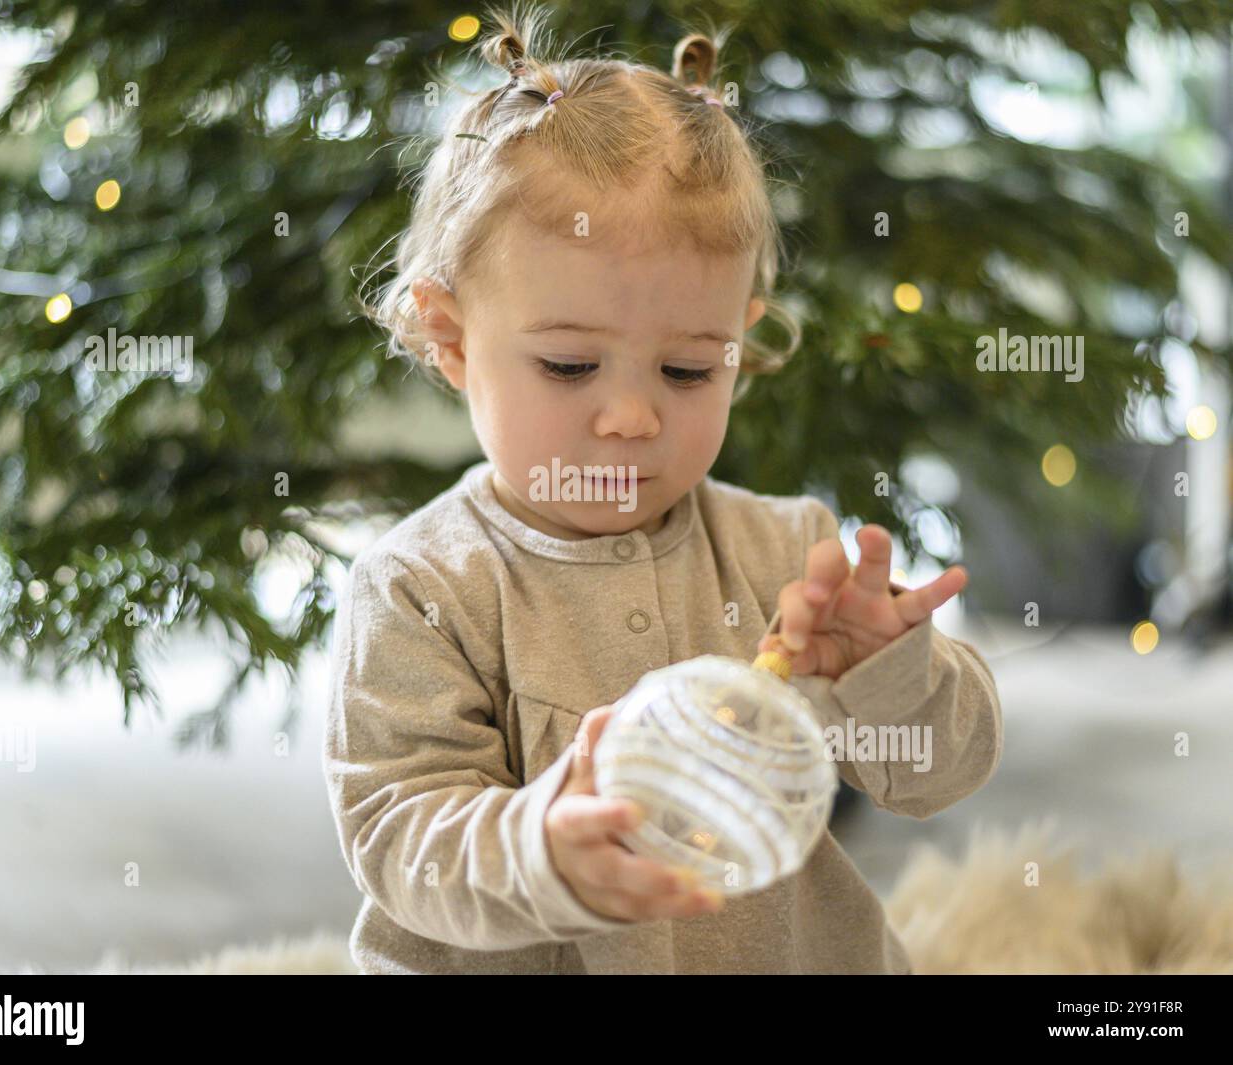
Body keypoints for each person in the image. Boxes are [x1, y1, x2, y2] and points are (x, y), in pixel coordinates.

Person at [323, 3, 1002, 974]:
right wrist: (540, 848)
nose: (632, 418)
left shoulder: (792, 555)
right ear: (450, 338)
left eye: (687, 371)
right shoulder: (419, 586)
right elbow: (397, 835)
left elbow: (939, 776)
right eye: (568, 367)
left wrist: (882, 674)